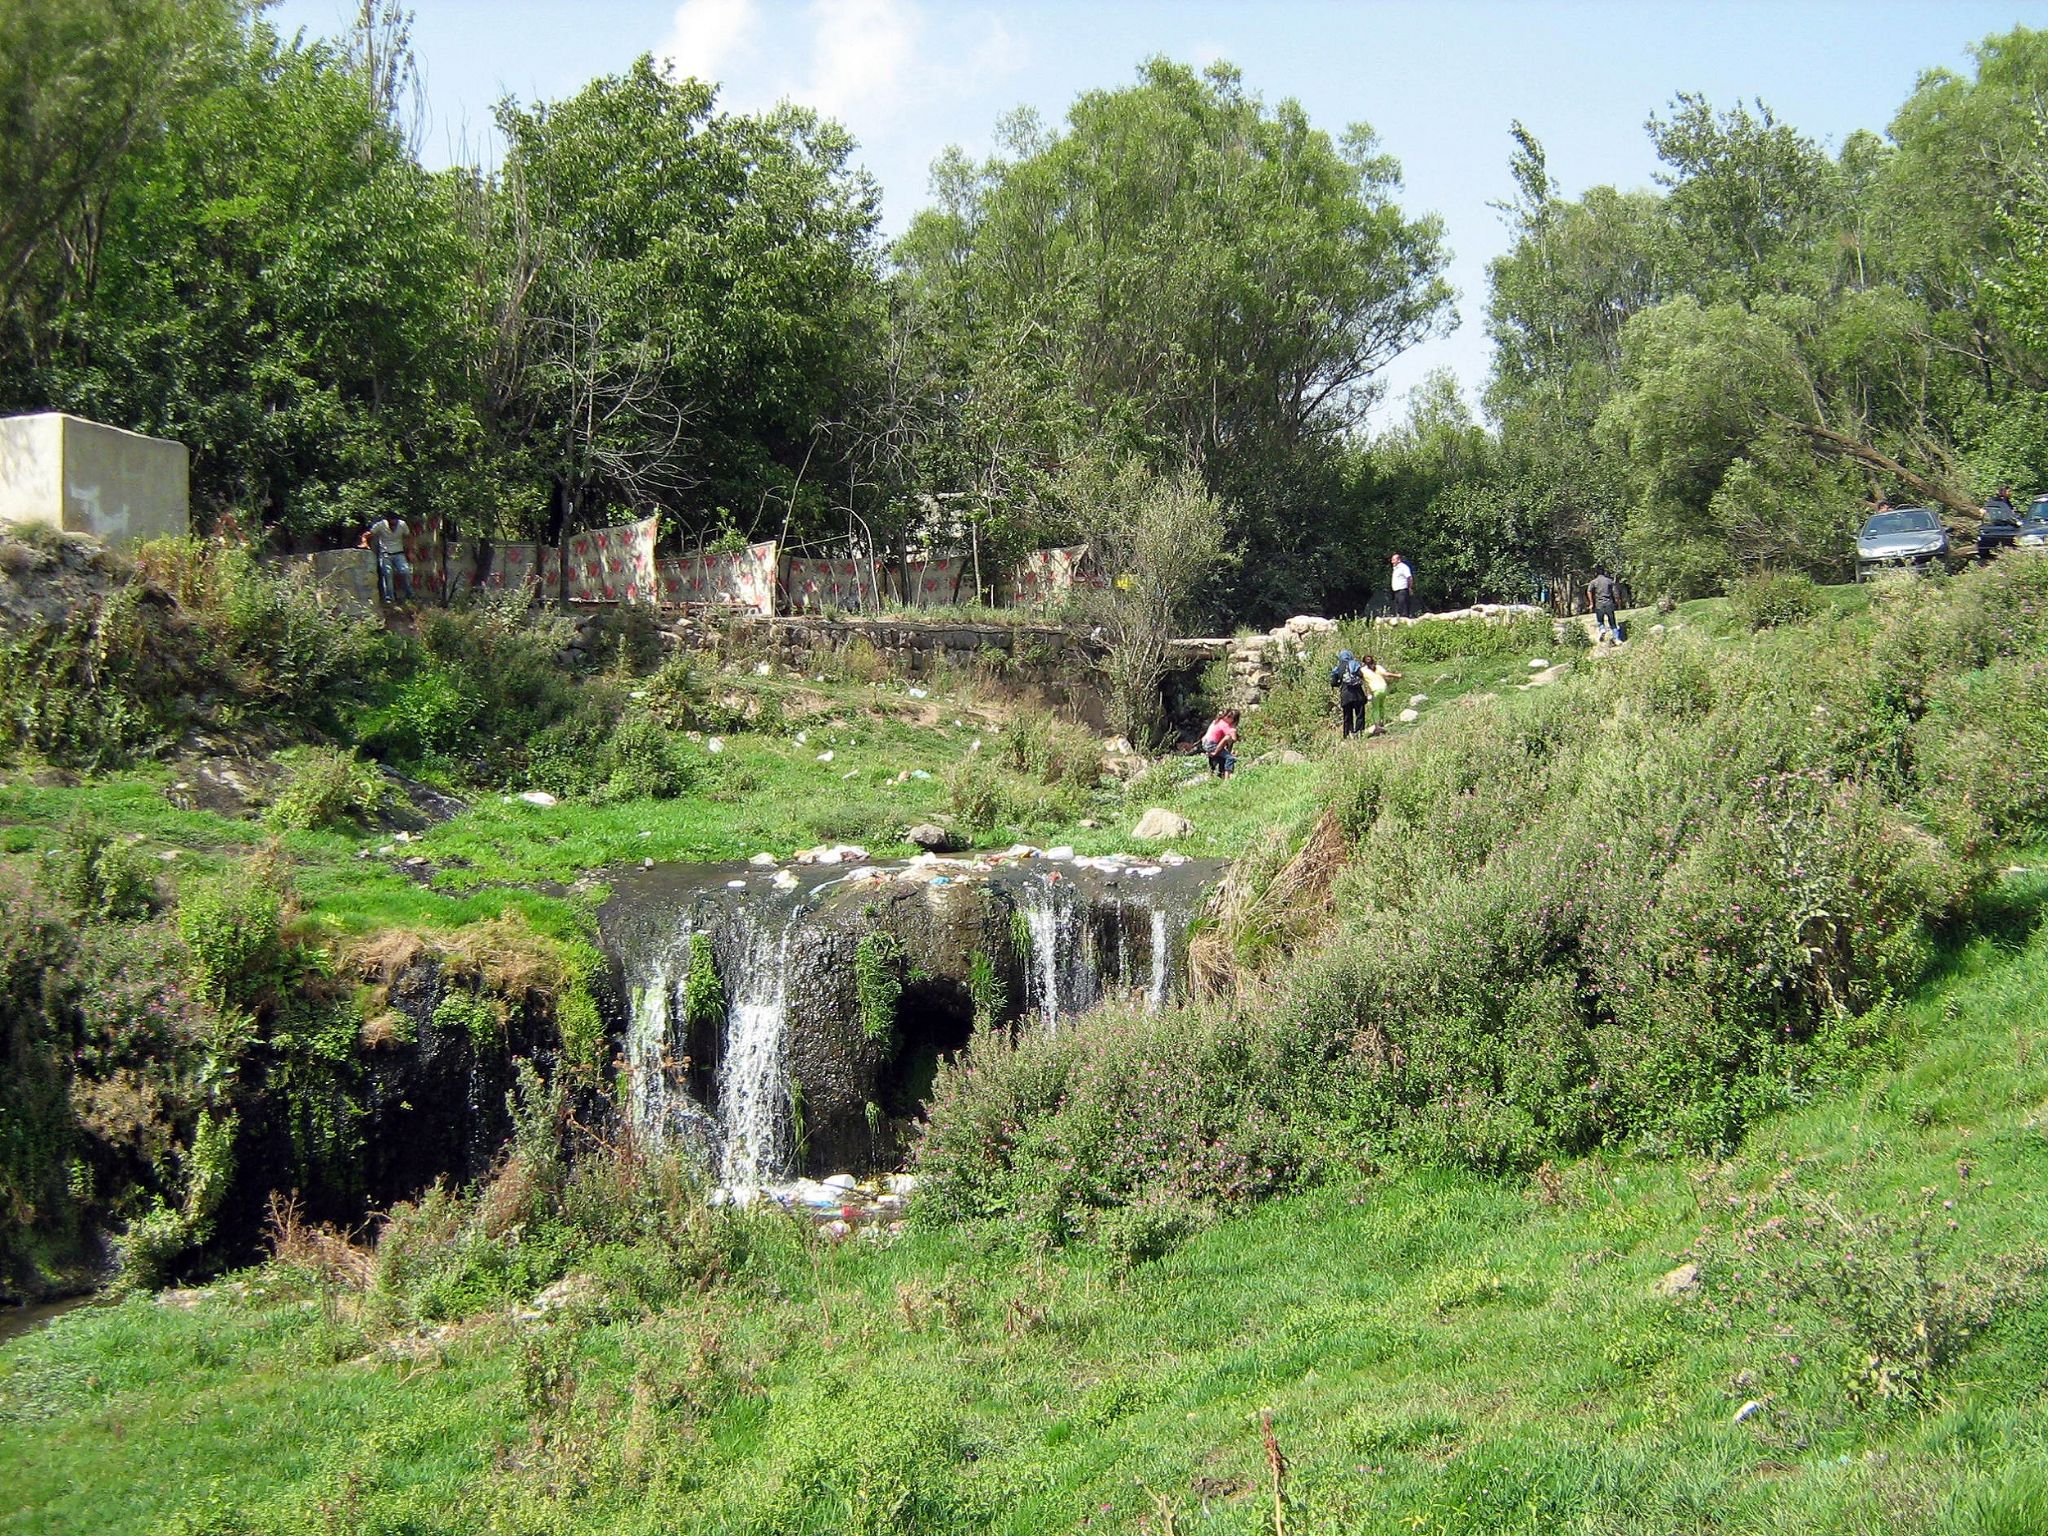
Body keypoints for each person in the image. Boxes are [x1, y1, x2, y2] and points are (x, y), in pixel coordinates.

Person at [361, 513, 413, 606]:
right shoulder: (380, 525)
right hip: (385, 554)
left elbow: (409, 536)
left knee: (406, 571)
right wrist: (364, 542)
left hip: (398, 553)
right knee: (387, 574)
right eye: (391, 523)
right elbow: (368, 534)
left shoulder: (402, 524)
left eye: (395, 522)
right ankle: (390, 598)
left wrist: (410, 551)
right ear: (387, 521)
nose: (393, 525)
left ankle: (409, 594)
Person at [1330, 648, 1369, 738]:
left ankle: (1348, 734)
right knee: (1359, 713)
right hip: (1358, 694)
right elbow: (1361, 675)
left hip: (1345, 694)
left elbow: (1333, 683)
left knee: (1347, 715)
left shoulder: (1338, 668)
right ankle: (1359, 733)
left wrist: (1340, 682)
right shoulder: (1354, 664)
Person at [1361, 654, 1401, 734]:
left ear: (1363, 662)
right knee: (1381, 706)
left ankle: (1377, 726)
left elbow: (1361, 679)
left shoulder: (1363, 670)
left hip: (1375, 691)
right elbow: (1386, 674)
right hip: (1383, 689)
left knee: (1375, 708)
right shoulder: (1378, 667)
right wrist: (1397, 675)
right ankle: (1382, 722)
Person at [1201, 708, 1240, 778]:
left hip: (1206, 743)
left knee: (1222, 758)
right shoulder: (1225, 724)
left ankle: (1219, 774)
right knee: (1230, 758)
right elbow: (1234, 738)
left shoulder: (1216, 721)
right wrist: (1233, 729)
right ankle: (1227, 778)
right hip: (1211, 745)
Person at [1587, 568, 1621, 643]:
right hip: (1609, 603)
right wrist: (1617, 602)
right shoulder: (1609, 581)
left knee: (1600, 620)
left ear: (1596, 574)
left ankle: (1602, 629)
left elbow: (1589, 591)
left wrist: (1591, 603)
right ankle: (1617, 638)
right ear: (1604, 573)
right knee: (1612, 622)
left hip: (1599, 605)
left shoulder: (1593, 582)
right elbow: (1615, 593)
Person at [1389, 552, 1414, 618]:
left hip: (1402, 591)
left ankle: (1405, 621)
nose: (1392, 562)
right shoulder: (1395, 568)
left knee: (1404, 610)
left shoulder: (1403, 567)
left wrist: (1410, 588)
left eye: (1394, 560)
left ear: (1399, 560)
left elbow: (1409, 577)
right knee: (1398, 609)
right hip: (1396, 591)